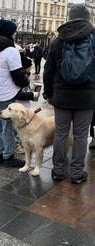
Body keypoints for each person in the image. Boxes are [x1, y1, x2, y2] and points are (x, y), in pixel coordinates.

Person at [43, 4, 95, 184]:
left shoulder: (58, 40)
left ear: (70, 17)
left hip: (62, 97)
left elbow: (48, 71)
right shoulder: (93, 38)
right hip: (86, 97)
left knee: (61, 134)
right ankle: (76, 173)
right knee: (81, 136)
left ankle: (58, 171)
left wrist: (48, 93)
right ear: (87, 18)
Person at [0, 19, 29, 168]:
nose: (15, 33)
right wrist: (26, 80)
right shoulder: (11, 50)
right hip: (7, 94)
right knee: (8, 128)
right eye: (14, 31)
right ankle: (8, 156)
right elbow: (18, 76)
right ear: (9, 33)